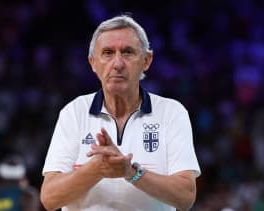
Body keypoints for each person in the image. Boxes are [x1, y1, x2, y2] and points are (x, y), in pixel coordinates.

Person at [40, 14, 201, 211]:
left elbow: (186, 197)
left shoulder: (172, 113)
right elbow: (49, 198)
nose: (117, 64)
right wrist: (96, 169)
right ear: (93, 63)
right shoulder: (74, 112)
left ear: (146, 60)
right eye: (107, 53)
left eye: (127, 52)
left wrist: (131, 172)